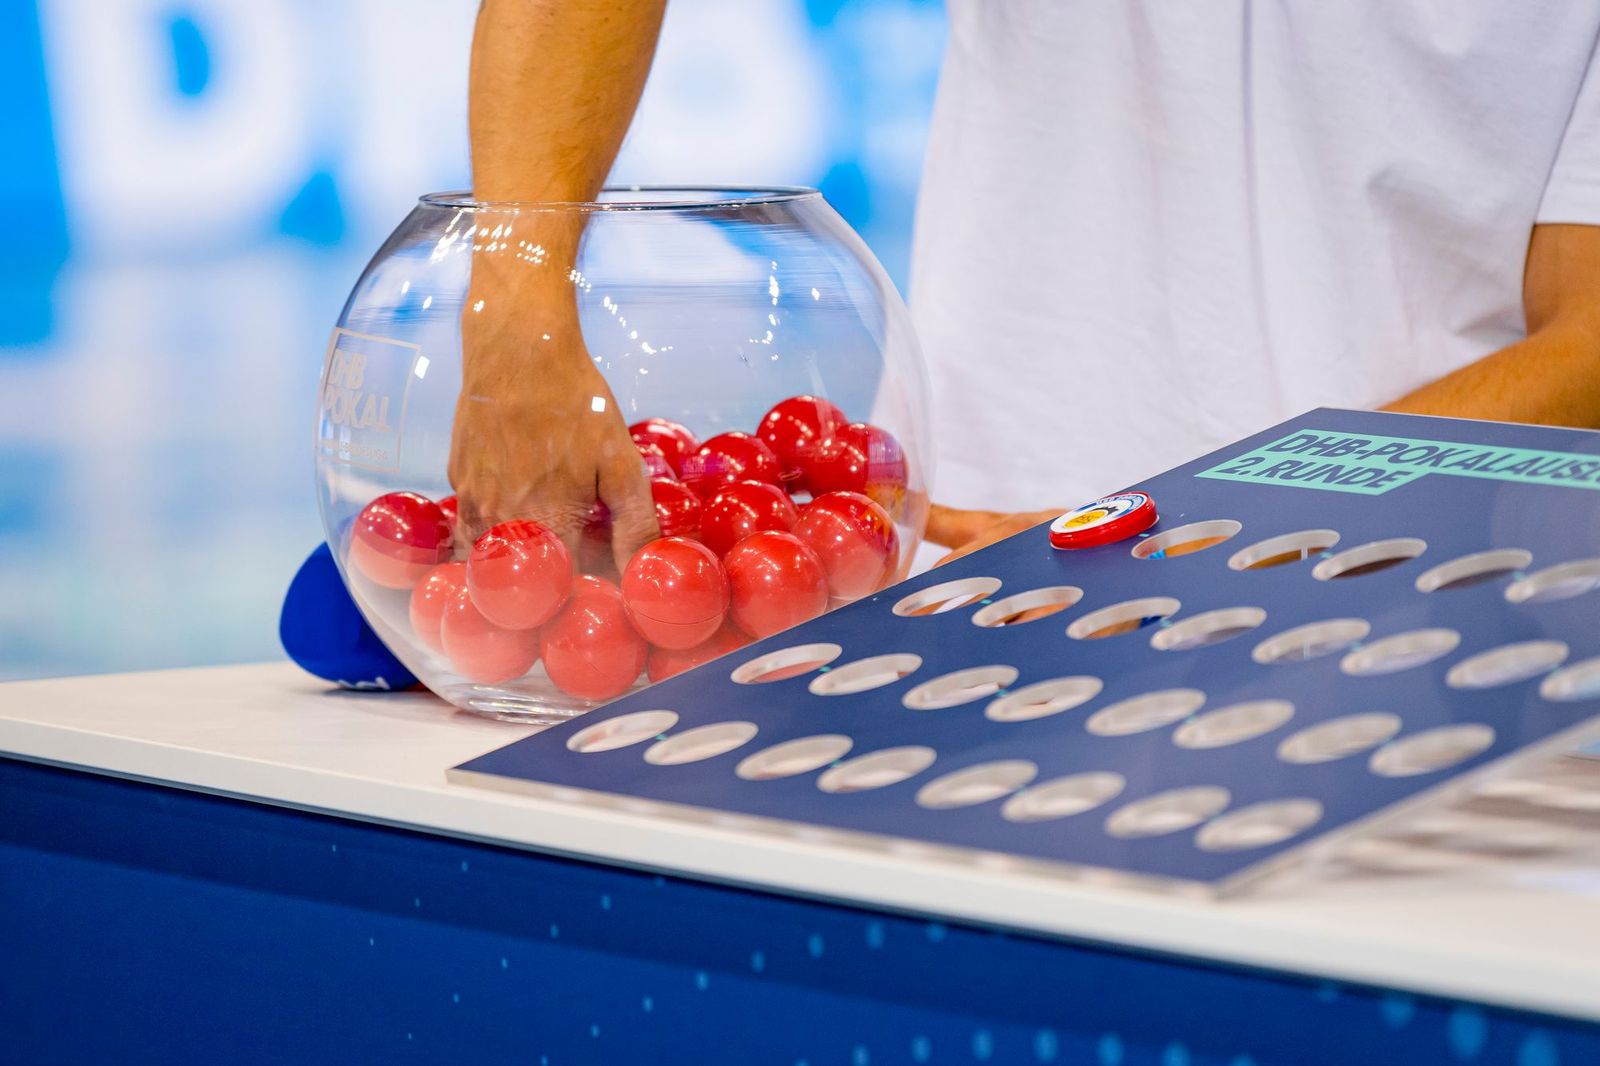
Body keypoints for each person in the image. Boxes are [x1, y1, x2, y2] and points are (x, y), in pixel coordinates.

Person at [456, 0, 1600, 569]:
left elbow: (1588, 337)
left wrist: (1195, 521)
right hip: (983, 573)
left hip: (1421, 598)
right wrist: (513, 299)